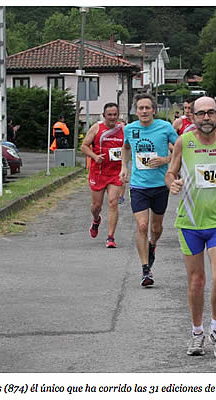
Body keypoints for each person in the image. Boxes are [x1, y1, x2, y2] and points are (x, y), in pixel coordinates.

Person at [165, 96, 216, 359]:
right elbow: (171, 172)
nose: (207, 118)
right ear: (193, 117)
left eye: (211, 113)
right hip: (190, 222)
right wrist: (172, 183)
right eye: (201, 114)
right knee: (197, 281)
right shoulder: (183, 142)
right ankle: (197, 331)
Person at [121, 94, 178, 287]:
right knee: (142, 226)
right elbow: (126, 147)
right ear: (135, 111)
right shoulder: (129, 129)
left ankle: (152, 245)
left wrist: (166, 160)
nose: (144, 111)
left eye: (147, 108)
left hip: (161, 185)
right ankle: (146, 269)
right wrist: (123, 167)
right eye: (140, 108)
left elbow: (179, 149)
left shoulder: (165, 127)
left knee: (156, 228)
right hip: (139, 185)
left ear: (154, 110)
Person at [81, 103, 125, 248]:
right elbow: (84, 146)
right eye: (109, 115)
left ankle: (110, 237)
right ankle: (96, 220)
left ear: (118, 115)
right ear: (104, 115)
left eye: (115, 114)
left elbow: (130, 147)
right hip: (98, 172)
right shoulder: (97, 128)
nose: (112, 117)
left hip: (115, 173)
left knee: (113, 203)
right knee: (96, 206)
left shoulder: (123, 129)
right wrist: (94, 156)